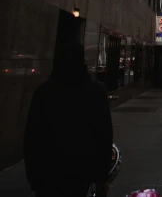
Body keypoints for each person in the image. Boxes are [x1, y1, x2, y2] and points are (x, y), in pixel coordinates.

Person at [24, 41, 113, 197]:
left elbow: (32, 137)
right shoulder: (96, 92)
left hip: (48, 173)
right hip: (81, 172)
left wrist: (33, 177)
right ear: (83, 59)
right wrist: (102, 177)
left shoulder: (44, 92)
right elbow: (104, 136)